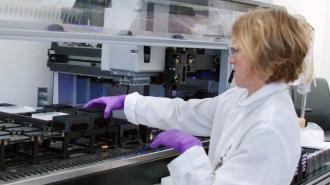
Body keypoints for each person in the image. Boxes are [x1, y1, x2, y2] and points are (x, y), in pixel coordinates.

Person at [84, 7, 309, 185]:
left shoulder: (270, 128)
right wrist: (128, 102)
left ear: (264, 56)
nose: (230, 60)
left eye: (237, 51)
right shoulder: (241, 98)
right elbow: (184, 113)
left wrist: (191, 150)